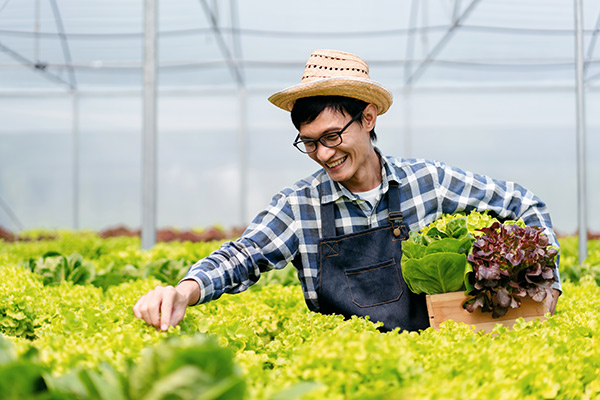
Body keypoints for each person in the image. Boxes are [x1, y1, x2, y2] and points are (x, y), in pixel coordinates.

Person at [133, 49, 561, 332]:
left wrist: (548, 287)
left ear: (368, 118)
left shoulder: (428, 182)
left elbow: (524, 204)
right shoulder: (300, 206)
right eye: (309, 142)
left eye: (333, 136)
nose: (323, 154)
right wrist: (183, 290)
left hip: (433, 374)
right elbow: (243, 255)